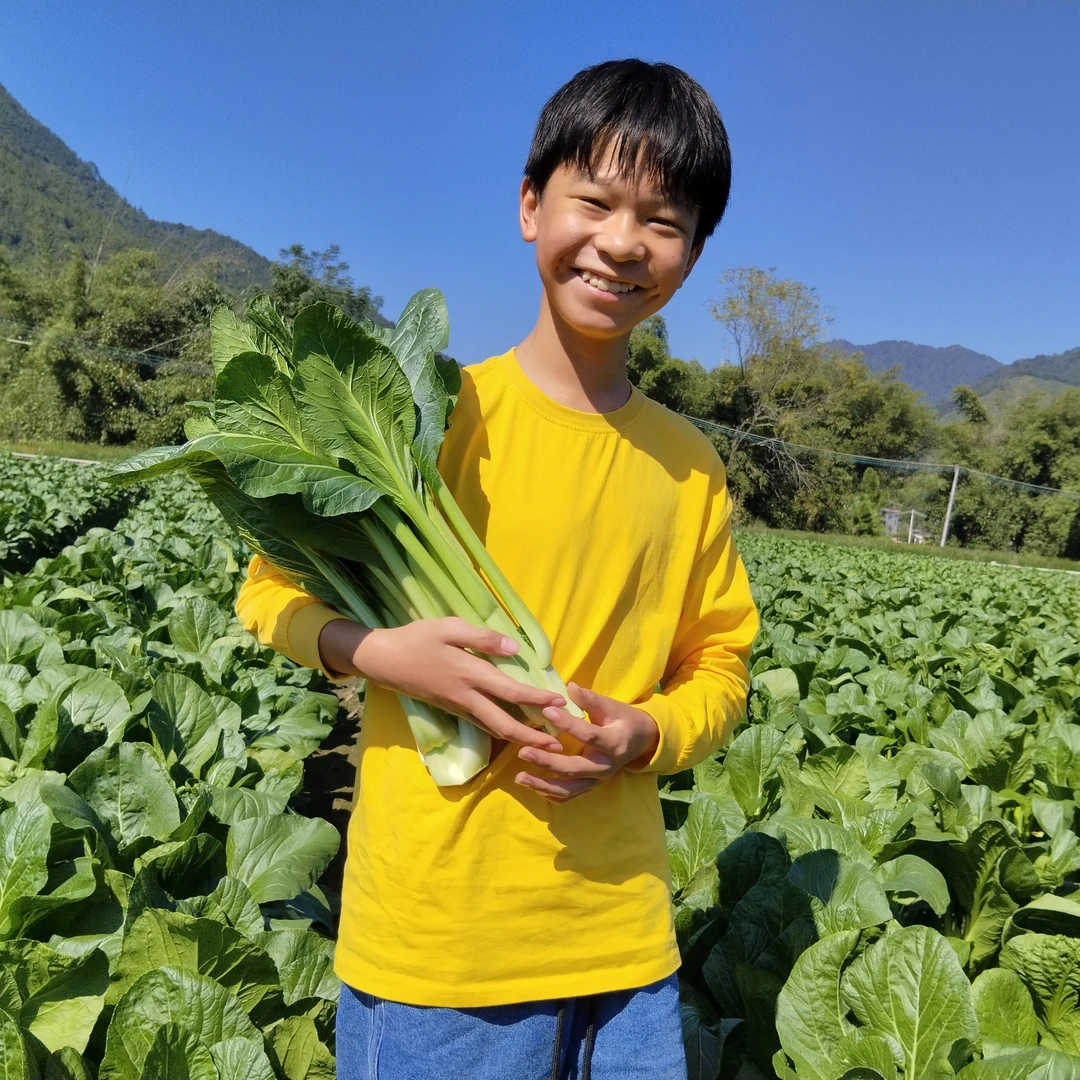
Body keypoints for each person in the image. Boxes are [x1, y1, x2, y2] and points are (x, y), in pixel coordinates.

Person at [235, 58, 758, 1080]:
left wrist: (645, 732)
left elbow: (723, 666)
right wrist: (383, 652)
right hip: (441, 942)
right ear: (530, 206)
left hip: (623, 944)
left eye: (662, 219)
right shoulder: (436, 413)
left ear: (692, 254)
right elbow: (268, 592)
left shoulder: (689, 465)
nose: (621, 241)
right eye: (594, 200)